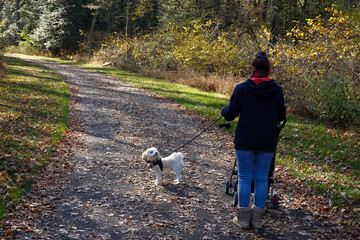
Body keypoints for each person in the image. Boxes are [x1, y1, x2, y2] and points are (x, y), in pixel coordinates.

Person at [221, 52, 286, 229]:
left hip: (246, 139)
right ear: (268, 70)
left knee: (244, 176)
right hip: (267, 140)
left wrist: (224, 112)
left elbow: (231, 113)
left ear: (253, 69)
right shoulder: (277, 90)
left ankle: (243, 219)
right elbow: (281, 115)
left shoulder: (242, 88)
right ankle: (257, 220)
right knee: (262, 178)